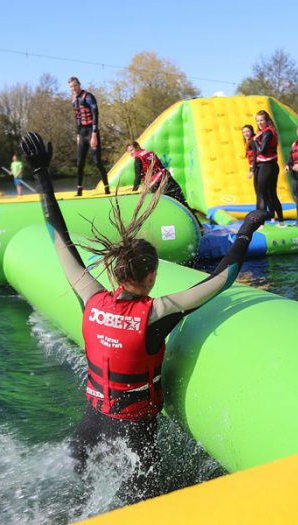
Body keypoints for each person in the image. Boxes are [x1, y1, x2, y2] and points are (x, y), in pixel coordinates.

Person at [20, 131, 267, 503]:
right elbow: (222, 279)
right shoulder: (155, 315)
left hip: (90, 425)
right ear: (151, 276)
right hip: (133, 435)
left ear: (116, 272)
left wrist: (41, 174)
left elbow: (60, 239)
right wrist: (246, 229)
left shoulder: (90, 298)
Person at [68, 76, 110, 196]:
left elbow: (95, 114)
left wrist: (94, 134)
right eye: (71, 86)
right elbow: (77, 118)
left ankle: (107, 186)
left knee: (97, 161)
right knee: (80, 162)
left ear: (79, 84)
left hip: (91, 131)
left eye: (75, 85)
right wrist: (77, 134)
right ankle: (79, 190)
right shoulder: (73, 99)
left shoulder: (88, 96)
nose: (73, 88)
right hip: (82, 133)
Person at [126, 141, 189, 208]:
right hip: (166, 177)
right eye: (129, 152)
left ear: (137, 147)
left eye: (132, 150)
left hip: (156, 183)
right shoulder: (150, 152)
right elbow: (160, 165)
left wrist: (134, 191)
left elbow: (138, 175)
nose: (131, 153)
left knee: (168, 206)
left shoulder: (138, 158)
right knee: (181, 199)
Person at [253, 110, 285, 226]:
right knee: (271, 194)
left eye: (262, 120)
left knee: (262, 194)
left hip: (267, 166)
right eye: (257, 120)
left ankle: (260, 224)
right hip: (269, 166)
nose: (259, 123)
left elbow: (263, 150)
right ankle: (281, 221)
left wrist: (255, 140)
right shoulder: (265, 132)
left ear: (267, 121)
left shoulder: (268, 133)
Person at [241, 124, 263, 210]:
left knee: (259, 191)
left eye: (247, 131)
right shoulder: (250, 142)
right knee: (258, 191)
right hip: (256, 167)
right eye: (244, 132)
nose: (246, 134)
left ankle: (260, 212)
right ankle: (260, 211)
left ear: (252, 132)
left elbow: (255, 156)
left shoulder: (253, 141)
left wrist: (252, 170)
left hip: (258, 167)